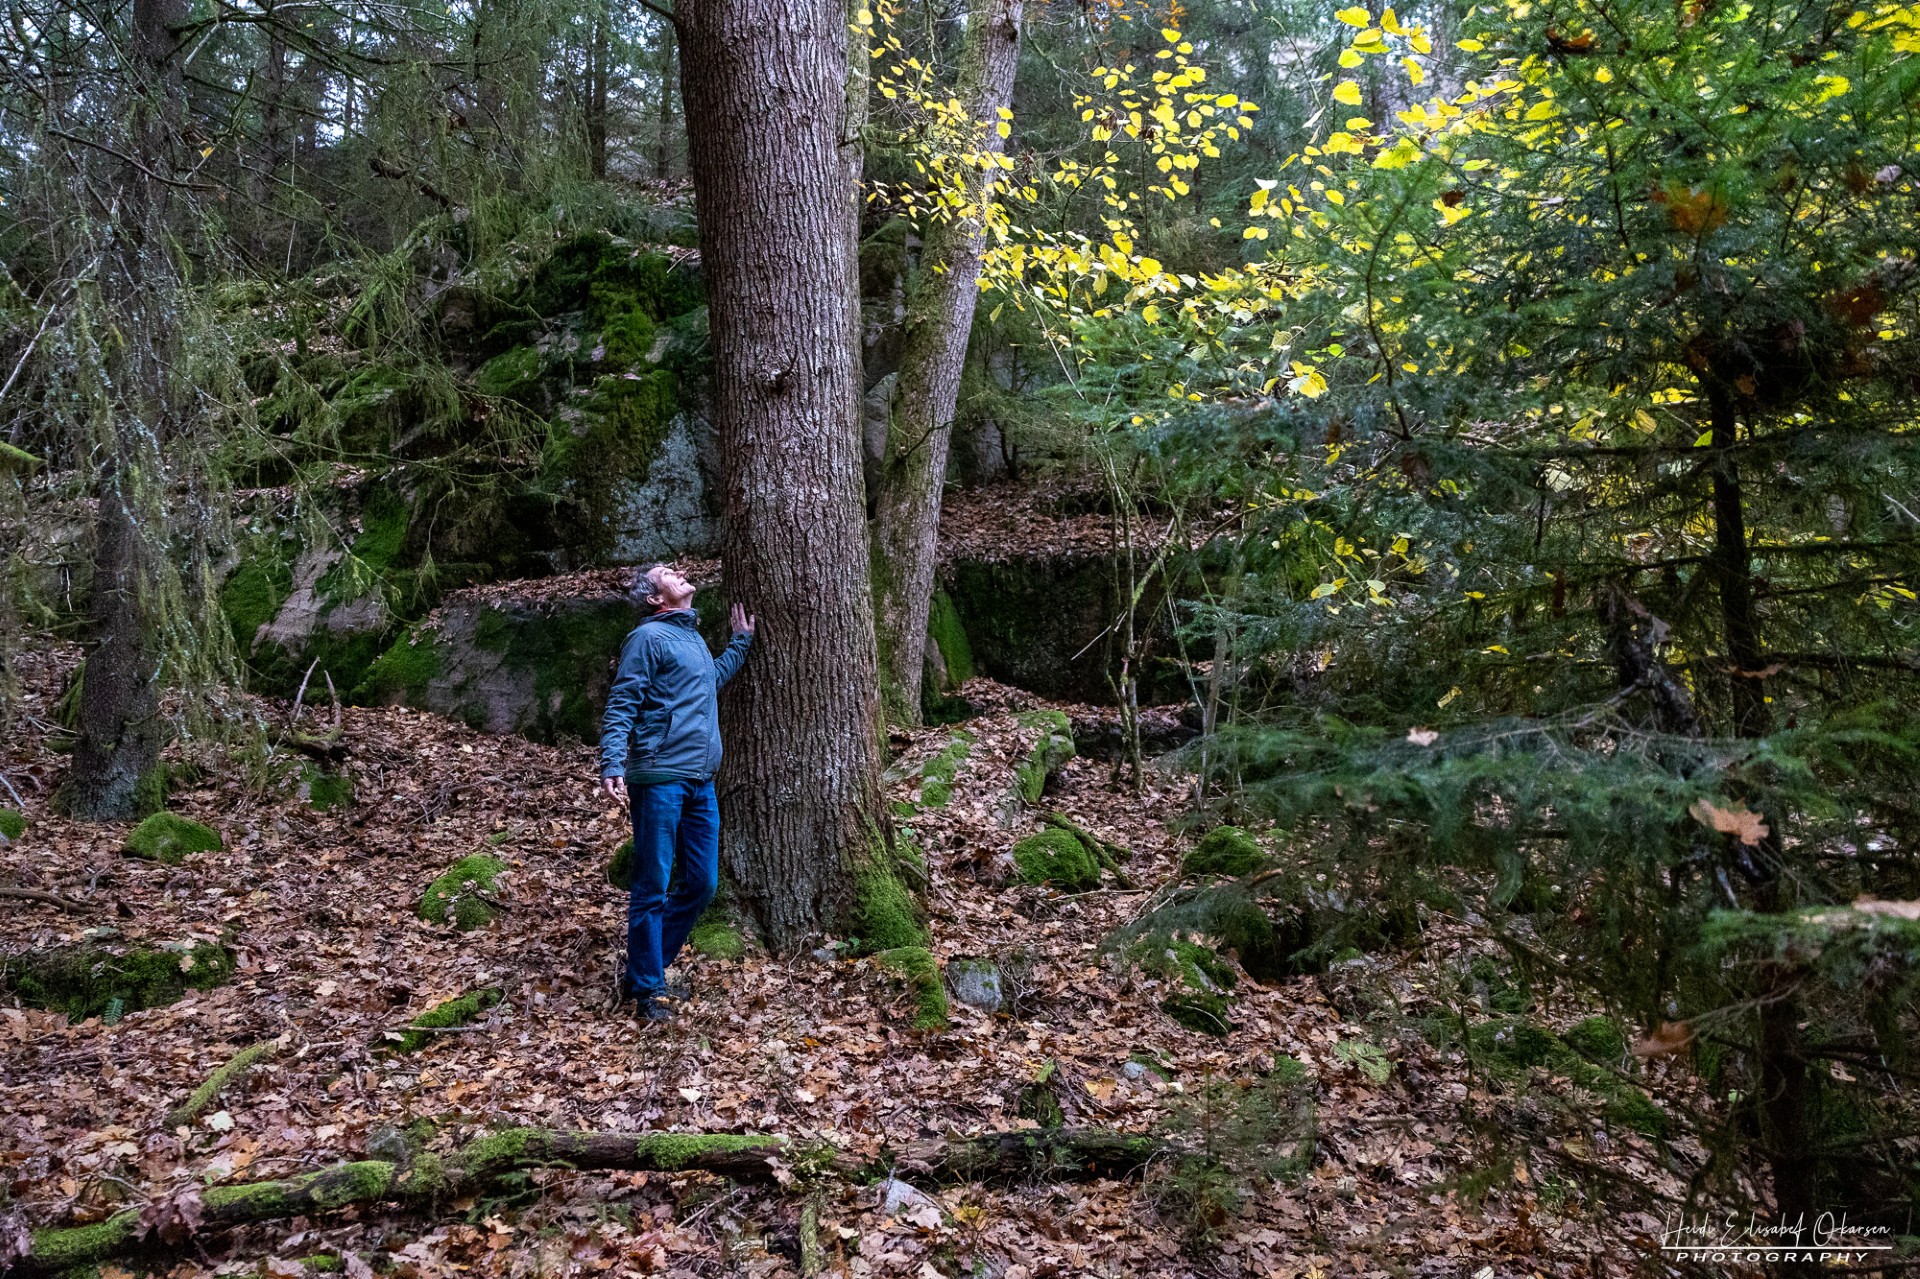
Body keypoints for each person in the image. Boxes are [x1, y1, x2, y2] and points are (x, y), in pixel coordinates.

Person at [599, 563, 755, 1021]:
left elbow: (710, 680)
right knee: (651, 885)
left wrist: (740, 643)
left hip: (700, 779)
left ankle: (645, 970)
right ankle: (648, 990)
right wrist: (612, 762)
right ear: (655, 598)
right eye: (667, 572)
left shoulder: (691, 638)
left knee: (703, 883)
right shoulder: (647, 639)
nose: (680, 572)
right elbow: (622, 701)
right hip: (660, 775)